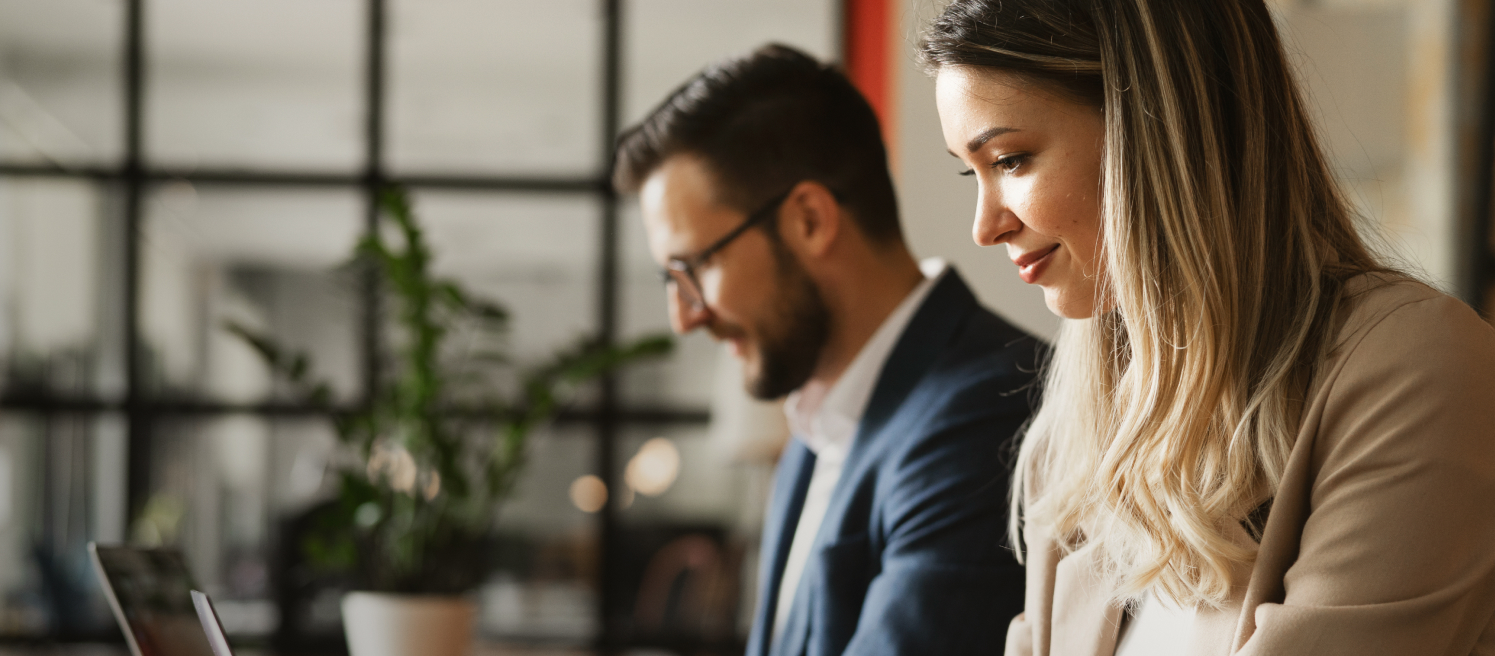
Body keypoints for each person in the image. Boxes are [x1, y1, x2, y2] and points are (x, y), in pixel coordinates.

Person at [920, 0, 1495, 654]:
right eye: (973, 172)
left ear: (1157, 130)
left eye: (1011, 159)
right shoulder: (1075, 431)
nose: (984, 225)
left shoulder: (1419, 370)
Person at [614, 44, 1043, 656]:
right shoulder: (816, 434)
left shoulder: (989, 414)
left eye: (692, 269)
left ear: (810, 219)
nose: (684, 317)